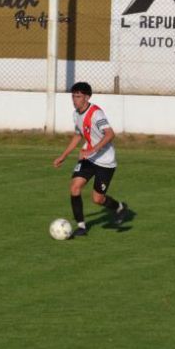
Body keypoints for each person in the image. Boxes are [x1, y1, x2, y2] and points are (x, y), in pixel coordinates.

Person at [53, 82, 127, 237]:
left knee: (98, 199)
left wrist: (93, 150)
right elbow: (78, 135)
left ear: (87, 97)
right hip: (89, 158)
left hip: (105, 161)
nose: (74, 99)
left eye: (78, 96)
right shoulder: (76, 113)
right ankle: (81, 226)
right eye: (73, 96)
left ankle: (119, 207)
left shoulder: (96, 113)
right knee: (74, 187)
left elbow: (110, 134)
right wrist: (63, 156)